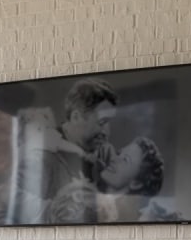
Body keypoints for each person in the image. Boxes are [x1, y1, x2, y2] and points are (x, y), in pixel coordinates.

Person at [8, 78, 118, 224]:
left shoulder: (106, 153)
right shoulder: (41, 157)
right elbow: (6, 207)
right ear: (76, 117)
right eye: (102, 122)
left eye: (110, 123)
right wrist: (55, 214)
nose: (107, 132)